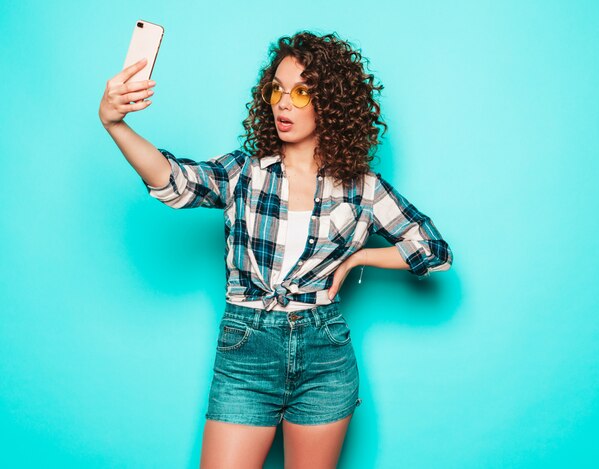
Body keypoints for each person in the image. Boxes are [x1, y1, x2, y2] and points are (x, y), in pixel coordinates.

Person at [99, 30, 453, 469]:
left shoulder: (363, 189)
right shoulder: (245, 173)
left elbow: (435, 250)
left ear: (331, 103)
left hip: (325, 352)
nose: (283, 103)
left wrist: (360, 256)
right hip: (247, 348)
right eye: (278, 90)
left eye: (302, 93)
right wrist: (115, 123)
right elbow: (173, 181)